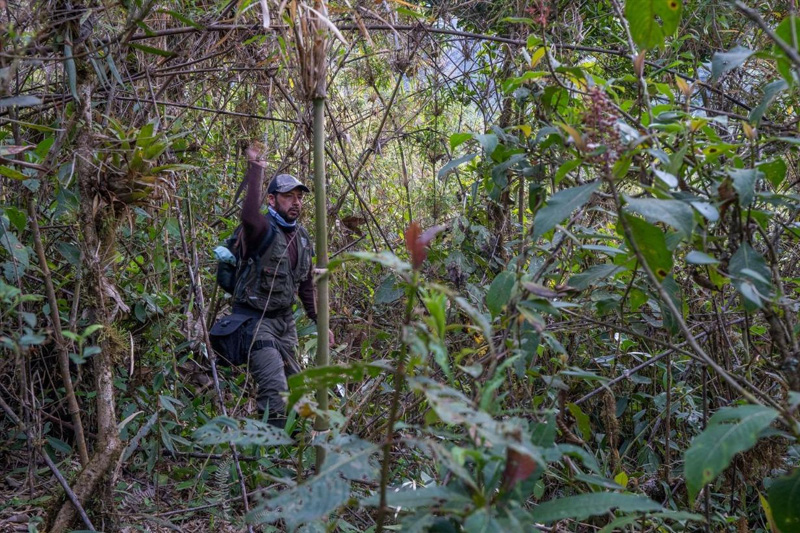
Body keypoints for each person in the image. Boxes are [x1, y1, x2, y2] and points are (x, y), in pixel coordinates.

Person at [214, 142, 319, 428]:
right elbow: (248, 216)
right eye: (288, 197)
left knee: (297, 392)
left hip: (285, 323)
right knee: (275, 392)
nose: (296, 202)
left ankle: (292, 450)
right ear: (272, 200)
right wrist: (256, 168)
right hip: (255, 321)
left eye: (299, 197)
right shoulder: (261, 230)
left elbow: (306, 283)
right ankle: (268, 456)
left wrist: (320, 321)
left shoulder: (302, 237)